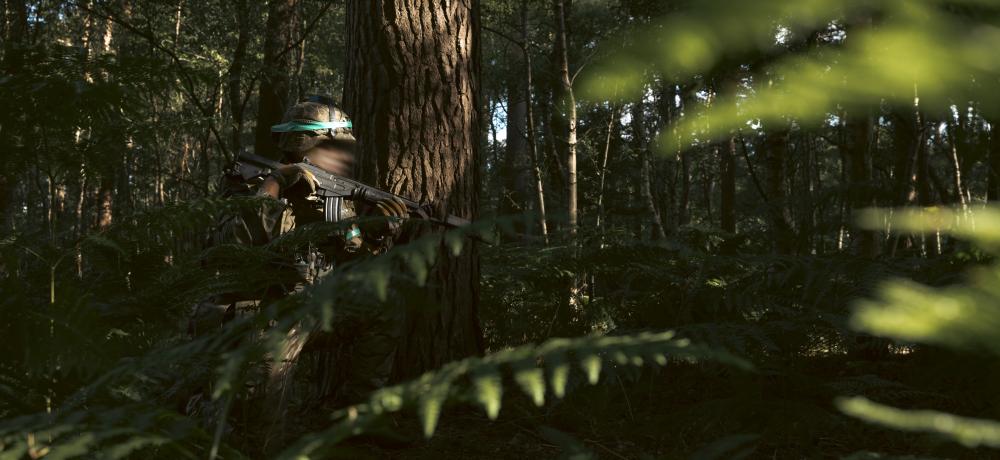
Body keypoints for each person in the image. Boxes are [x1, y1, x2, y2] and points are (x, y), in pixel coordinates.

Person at [189, 96, 408, 448]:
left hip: (306, 310)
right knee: (256, 439)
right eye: (332, 147)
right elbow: (237, 244)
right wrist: (278, 182)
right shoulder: (247, 183)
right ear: (304, 145)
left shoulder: (329, 195)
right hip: (257, 318)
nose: (341, 156)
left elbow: (353, 260)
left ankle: (359, 414)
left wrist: (377, 234)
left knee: (383, 301)